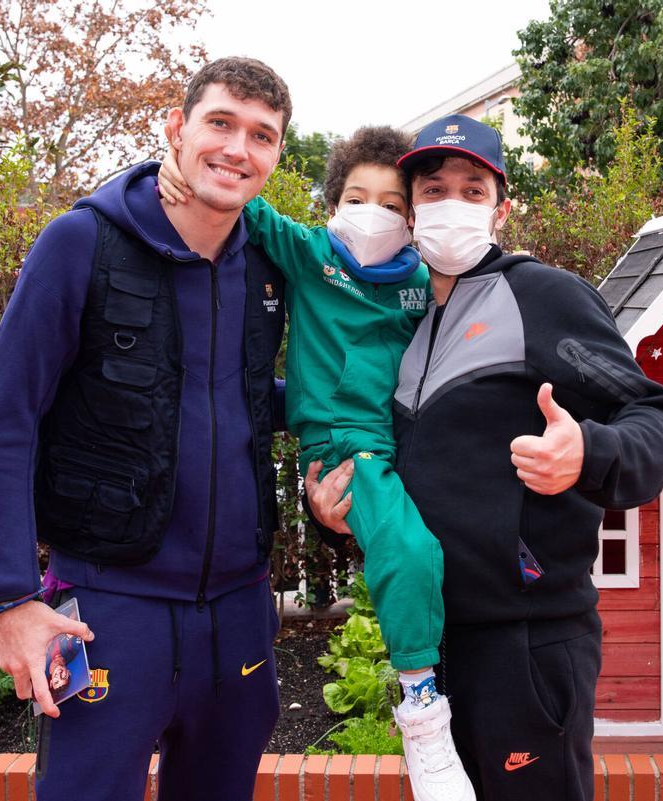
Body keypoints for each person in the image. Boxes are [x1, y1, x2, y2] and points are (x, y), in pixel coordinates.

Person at [307, 115, 663, 801]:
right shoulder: (402, 314)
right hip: (431, 645)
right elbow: (386, 461)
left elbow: (653, 419)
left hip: (527, 643)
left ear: (501, 207)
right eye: (435, 189)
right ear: (412, 210)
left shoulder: (543, 297)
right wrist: (337, 511)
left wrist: (587, 452)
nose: (452, 203)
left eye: (472, 189)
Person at [0, 57, 292, 801]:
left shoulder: (271, 266)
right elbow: (7, 419)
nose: (237, 148)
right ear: (177, 129)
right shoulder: (80, 243)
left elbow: (244, 395)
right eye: (220, 123)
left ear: (276, 156)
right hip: (111, 609)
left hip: (240, 614)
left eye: (262, 135)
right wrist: (11, 599)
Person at [158, 126, 477, 801]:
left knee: (455, 557)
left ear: (413, 216)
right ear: (332, 203)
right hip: (345, 444)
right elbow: (240, 202)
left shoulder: (421, 280)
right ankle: (422, 709)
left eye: (392, 203)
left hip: (412, 439)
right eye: (357, 197)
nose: (373, 213)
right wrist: (169, 167)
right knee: (411, 551)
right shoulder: (310, 255)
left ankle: (475, 692)